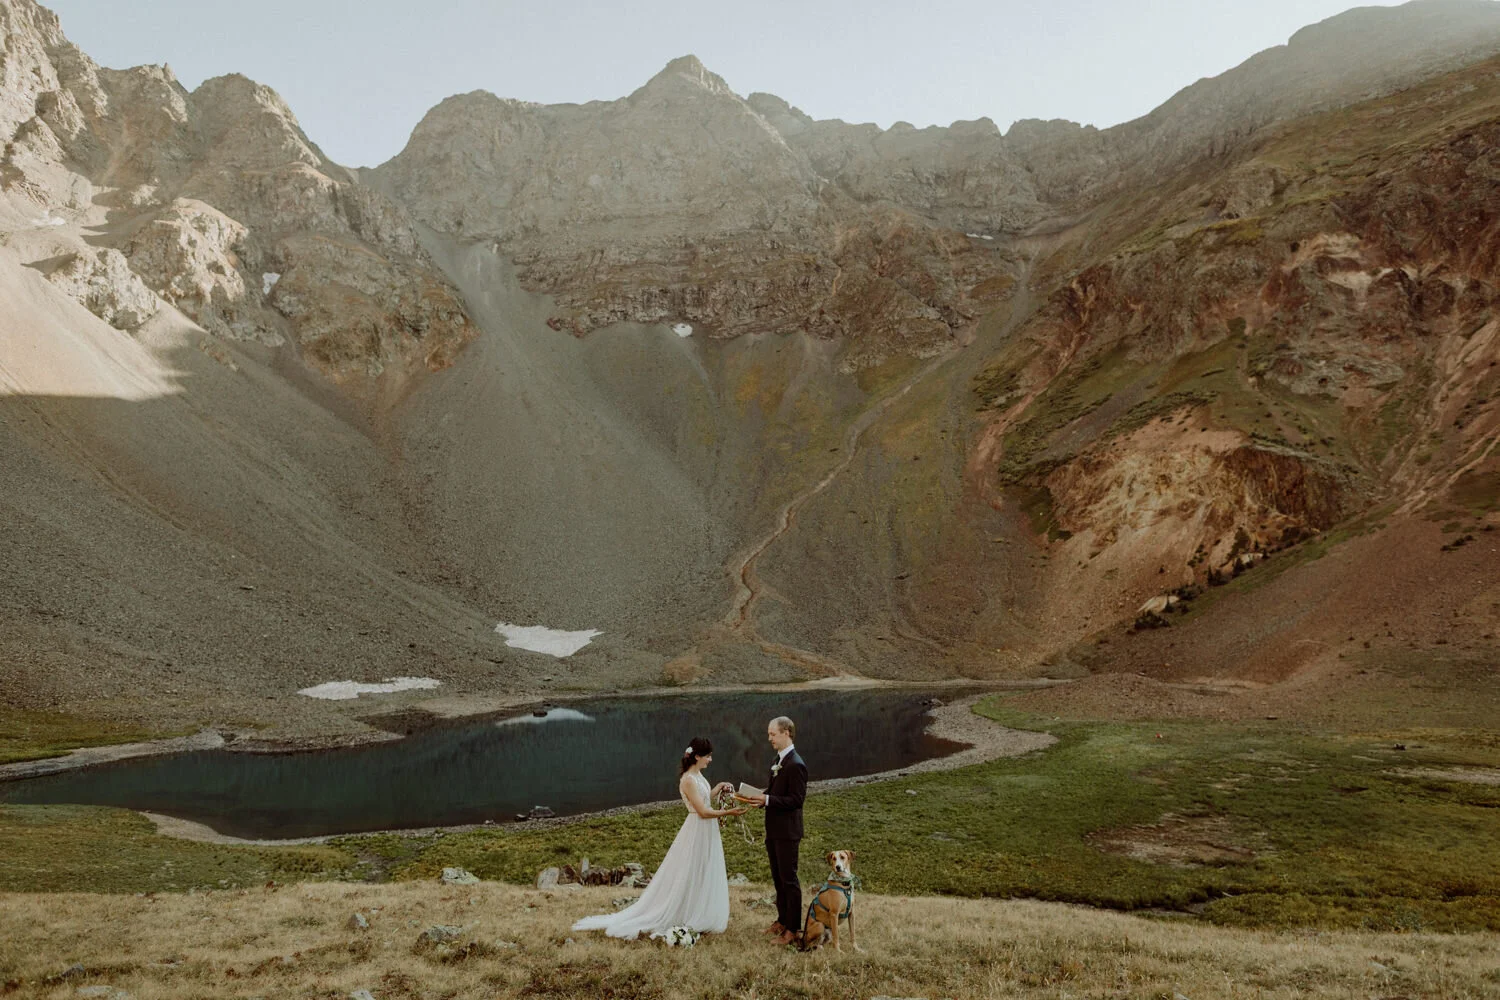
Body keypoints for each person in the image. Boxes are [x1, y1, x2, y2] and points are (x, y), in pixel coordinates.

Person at [572, 737, 745, 940]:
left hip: (706, 830)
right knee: (691, 870)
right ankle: (686, 911)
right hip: (698, 829)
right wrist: (729, 813)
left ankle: (698, 909)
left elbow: (704, 798)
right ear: (697, 756)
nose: (710, 760)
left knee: (703, 868)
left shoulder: (697, 775)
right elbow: (702, 812)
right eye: (708, 756)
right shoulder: (688, 780)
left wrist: (718, 788)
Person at [741, 716, 807, 946]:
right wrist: (760, 798)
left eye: (773, 734)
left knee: (789, 880)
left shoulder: (796, 764)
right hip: (774, 830)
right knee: (778, 879)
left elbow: (796, 800)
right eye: (769, 734)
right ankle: (781, 921)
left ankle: (793, 930)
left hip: (788, 832)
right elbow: (777, 792)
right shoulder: (778, 760)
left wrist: (767, 799)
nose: (769, 738)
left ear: (786, 732)